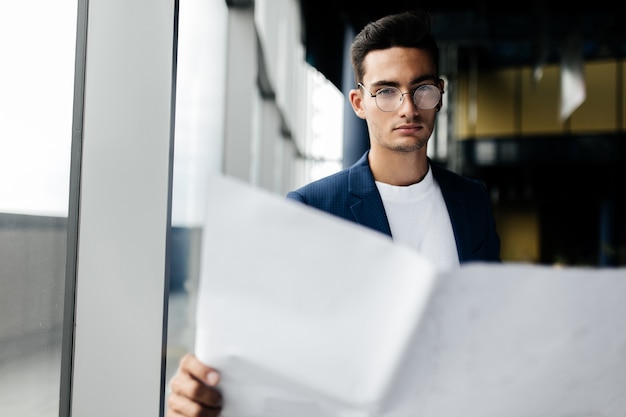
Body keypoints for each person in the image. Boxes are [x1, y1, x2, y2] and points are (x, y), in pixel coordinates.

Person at [166, 9, 500, 417]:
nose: (408, 108)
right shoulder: (313, 208)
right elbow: (271, 339)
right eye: (387, 91)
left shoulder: (472, 201)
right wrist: (204, 389)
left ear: (440, 93)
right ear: (358, 102)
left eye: (422, 89)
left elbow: (487, 321)